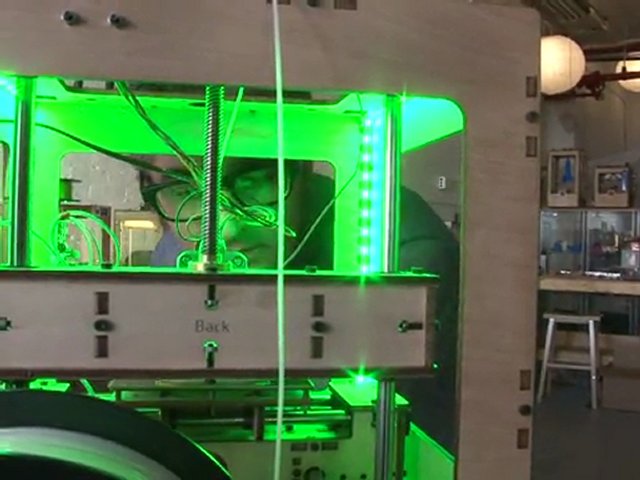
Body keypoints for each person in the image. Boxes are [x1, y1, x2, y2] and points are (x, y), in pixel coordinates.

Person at [139, 155, 460, 453]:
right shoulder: (172, 250)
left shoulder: (395, 255)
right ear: (149, 191)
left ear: (304, 169)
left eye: (257, 180)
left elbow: (401, 452)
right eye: (184, 190)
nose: (227, 230)